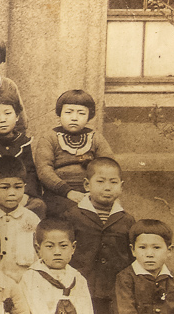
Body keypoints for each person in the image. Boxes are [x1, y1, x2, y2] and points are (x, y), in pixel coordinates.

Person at [65, 156, 134, 314]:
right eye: (100, 181)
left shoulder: (127, 221)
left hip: (111, 295)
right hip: (79, 294)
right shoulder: (73, 216)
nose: (107, 187)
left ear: (121, 186)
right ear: (86, 184)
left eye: (113, 182)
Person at [34, 90, 115, 219]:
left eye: (81, 113)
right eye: (68, 112)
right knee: (73, 213)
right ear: (59, 114)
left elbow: (109, 166)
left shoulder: (96, 138)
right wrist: (68, 192)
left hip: (92, 193)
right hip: (58, 194)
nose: (74, 117)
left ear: (89, 116)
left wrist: (96, 190)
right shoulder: (49, 138)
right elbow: (44, 170)